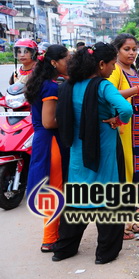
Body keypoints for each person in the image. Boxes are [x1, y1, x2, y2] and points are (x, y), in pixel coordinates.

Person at [53, 43, 133, 264]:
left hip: (78, 151)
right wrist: (117, 121)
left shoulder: (70, 85)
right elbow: (126, 109)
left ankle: (64, 249)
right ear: (100, 64)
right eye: (111, 65)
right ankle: (105, 253)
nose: (113, 69)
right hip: (104, 149)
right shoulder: (102, 86)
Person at [24, 44, 70, 253]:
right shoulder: (51, 87)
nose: (69, 62)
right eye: (66, 59)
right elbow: (49, 122)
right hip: (51, 140)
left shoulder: (43, 82)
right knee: (55, 190)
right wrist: (73, 120)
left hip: (43, 140)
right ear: (54, 62)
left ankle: (52, 235)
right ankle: (50, 239)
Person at [109, 34, 139, 183]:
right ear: (117, 51)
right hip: (126, 126)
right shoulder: (116, 69)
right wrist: (138, 90)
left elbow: (137, 98)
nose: (132, 53)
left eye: (134, 49)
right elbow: (110, 94)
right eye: (127, 49)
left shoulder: (132, 70)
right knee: (129, 162)